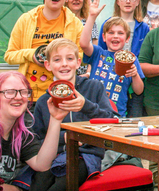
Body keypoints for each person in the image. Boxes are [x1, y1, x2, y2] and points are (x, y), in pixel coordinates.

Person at [24, 38, 116, 191]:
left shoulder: (94, 87)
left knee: (61, 185)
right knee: (38, 185)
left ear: (78, 62)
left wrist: (86, 106)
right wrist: (64, 138)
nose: (64, 64)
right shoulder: (43, 101)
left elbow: (112, 121)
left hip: (87, 155)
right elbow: (37, 139)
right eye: (57, 59)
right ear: (48, 65)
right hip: (54, 156)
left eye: (70, 58)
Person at [0, 71, 68, 190]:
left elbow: (42, 165)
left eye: (23, 92)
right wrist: (2, 187)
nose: (18, 97)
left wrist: (55, 119)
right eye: (9, 92)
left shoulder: (21, 130)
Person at [4, 0, 83, 107]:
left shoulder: (75, 23)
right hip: (29, 95)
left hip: (62, 93)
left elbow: (80, 55)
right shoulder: (26, 20)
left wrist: (60, 59)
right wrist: (32, 55)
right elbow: (9, 56)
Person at [80, 0, 145, 117]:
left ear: (127, 39)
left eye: (120, 33)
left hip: (117, 113)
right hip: (92, 111)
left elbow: (139, 90)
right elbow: (83, 44)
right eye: (111, 32)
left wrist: (135, 74)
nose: (115, 36)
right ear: (104, 37)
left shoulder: (132, 59)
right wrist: (92, 17)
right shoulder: (98, 53)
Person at [98, 0, 150, 117]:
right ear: (118, 1)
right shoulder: (107, 24)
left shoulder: (143, 27)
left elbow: (146, 55)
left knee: (133, 118)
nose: (128, 1)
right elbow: (101, 53)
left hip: (134, 81)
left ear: (138, 2)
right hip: (111, 81)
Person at [66, 0, 99, 75]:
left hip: (85, 74)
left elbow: (95, 48)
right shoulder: (61, 21)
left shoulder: (90, 21)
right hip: (65, 72)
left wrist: (88, 72)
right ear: (66, 0)